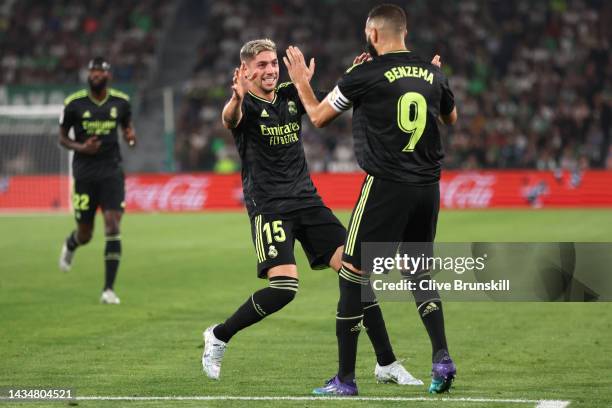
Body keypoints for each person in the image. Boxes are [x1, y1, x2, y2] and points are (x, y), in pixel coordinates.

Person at [201, 39, 422, 386]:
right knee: (285, 287)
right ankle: (219, 335)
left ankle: (386, 363)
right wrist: (236, 97)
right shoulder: (243, 104)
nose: (270, 70)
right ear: (245, 71)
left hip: (308, 201)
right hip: (270, 208)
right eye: (261, 65)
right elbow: (230, 118)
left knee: (356, 275)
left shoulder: (290, 96)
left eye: (273, 63)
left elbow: (329, 100)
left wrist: (354, 72)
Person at [283, 3, 458, 395]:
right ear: (405, 32)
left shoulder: (365, 73)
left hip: (386, 187)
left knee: (352, 274)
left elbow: (317, 116)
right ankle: (442, 356)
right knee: (418, 273)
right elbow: (451, 119)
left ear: (374, 34)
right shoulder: (432, 72)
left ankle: (345, 380)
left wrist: (300, 82)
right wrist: (434, 79)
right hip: (428, 188)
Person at [58, 56, 136, 305]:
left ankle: (108, 290)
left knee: (113, 225)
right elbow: (62, 138)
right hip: (83, 174)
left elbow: (128, 130)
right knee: (86, 233)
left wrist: (131, 136)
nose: (95, 75)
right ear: (88, 75)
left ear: (108, 76)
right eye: (92, 71)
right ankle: (71, 244)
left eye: (100, 72)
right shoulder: (74, 104)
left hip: (111, 172)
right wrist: (81, 146)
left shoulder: (121, 103)